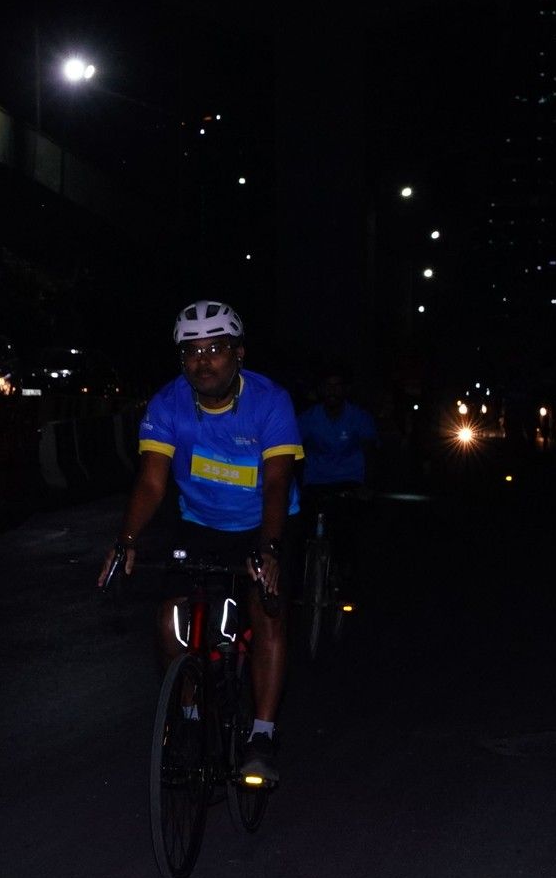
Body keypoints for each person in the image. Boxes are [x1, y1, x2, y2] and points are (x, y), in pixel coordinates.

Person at [97, 300, 304, 786]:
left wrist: (270, 550)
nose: (202, 361)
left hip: (263, 523)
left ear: (239, 353)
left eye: (215, 349)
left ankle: (262, 735)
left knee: (267, 610)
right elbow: (152, 483)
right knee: (170, 620)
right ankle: (189, 716)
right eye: (191, 352)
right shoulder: (167, 404)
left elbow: (277, 483)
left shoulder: (271, 401)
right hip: (200, 524)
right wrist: (126, 540)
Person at [298, 363, 382, 590]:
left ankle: (348, 576)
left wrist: (367, 486)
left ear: (345, 389)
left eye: (337, 386)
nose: (332, 391)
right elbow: (293, 452)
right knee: (299, 529)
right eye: (328, 386)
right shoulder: (308, 418)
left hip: (349, 482)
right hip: (316, 482)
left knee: (350, 531)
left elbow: (370, 453)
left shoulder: (359, 417)